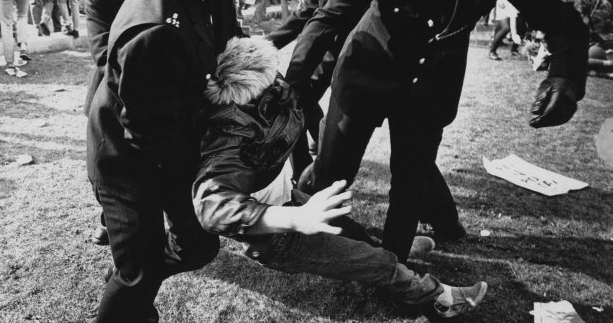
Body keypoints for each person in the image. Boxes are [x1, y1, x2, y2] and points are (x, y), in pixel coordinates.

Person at [286, 0, 589, 263]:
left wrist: (564, 79)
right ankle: (328, 248)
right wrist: (294, 84)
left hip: (429, 86)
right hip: (365, 74)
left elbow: (562, 22)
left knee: (410, 180)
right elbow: (328, 18)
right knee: (332, 178)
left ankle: (393, 266)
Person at [193, 36, 488, 319]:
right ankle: (439, 298)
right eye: (273, 80)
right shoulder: (230, 138)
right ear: (252, 91)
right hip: (277, 237)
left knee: (354, 231)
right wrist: (297, 219)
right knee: (378, 264)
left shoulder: (259, 104)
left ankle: (393, 256)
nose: (281, 84)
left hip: (289, 201)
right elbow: (212, 207)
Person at [85, 0, 255, 320]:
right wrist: (212, 172)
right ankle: (132, 284)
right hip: (128, 159)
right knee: (136, 277)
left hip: (173, 137)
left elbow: (225, 48)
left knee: (199, 245)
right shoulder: (153, 28)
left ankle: (136, 270)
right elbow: (147, 133)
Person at [83, 0, 163, 246]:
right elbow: (103, 54)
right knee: (105, 164)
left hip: (166, 93)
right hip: (112, 91)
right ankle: (108, 212)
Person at [266, 0, 365, 183]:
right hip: (362, 72)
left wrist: (293, 79)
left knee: (293, 107)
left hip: (335, 65)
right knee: (412, 154)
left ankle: (304, 173)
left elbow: (317, 31)